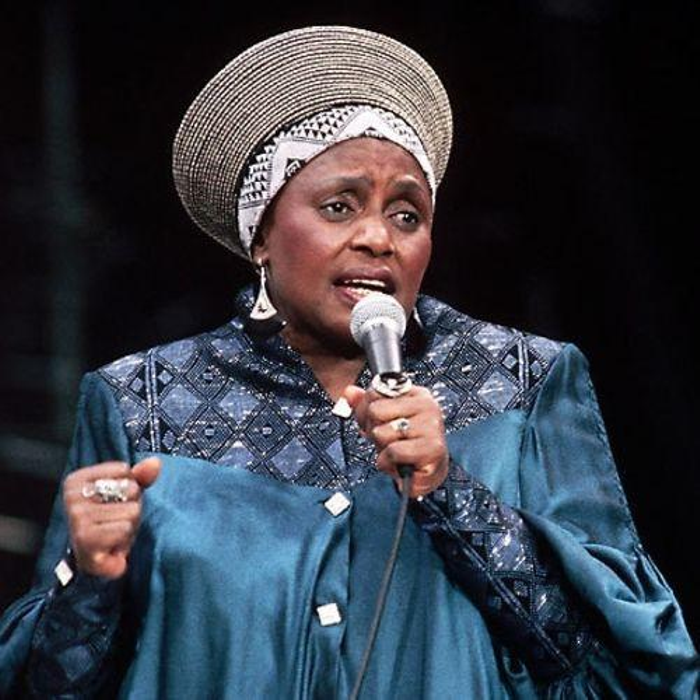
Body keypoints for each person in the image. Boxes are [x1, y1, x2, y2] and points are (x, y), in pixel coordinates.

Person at [0, 25, 697, 699]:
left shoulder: (522, 380)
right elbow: (47, 686)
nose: (377, 238)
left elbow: (624, 667)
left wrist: (450, 491)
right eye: (339, 206)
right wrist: (88, 580)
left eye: (406, 215)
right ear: (263, 234)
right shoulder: (139, 401)